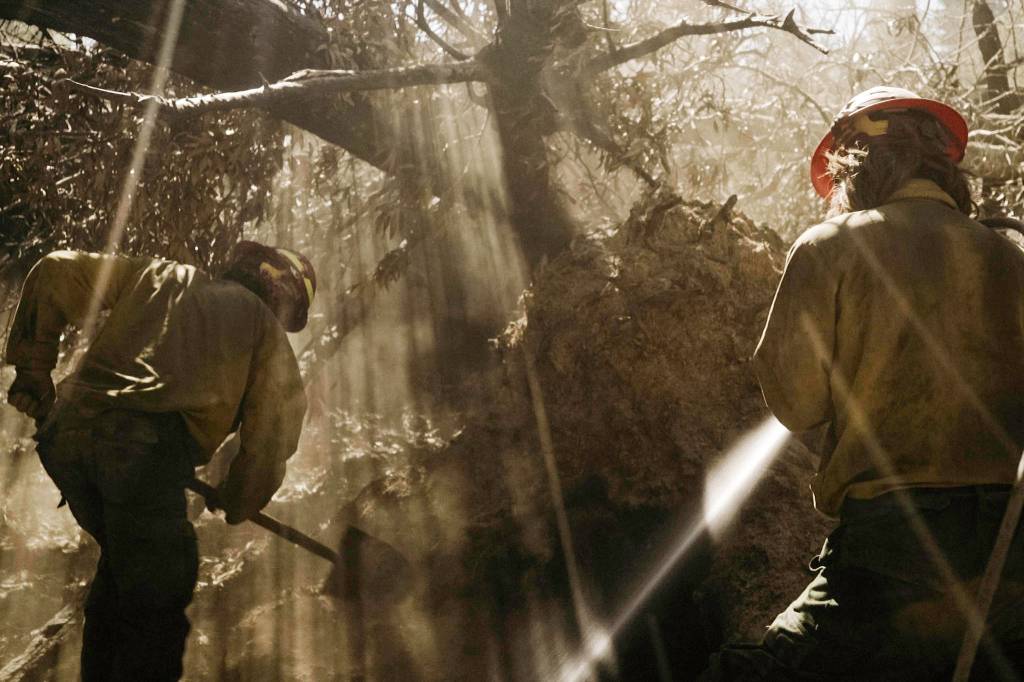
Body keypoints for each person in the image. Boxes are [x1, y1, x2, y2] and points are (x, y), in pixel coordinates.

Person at [700, 86, 1024, 680]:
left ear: (858, 162)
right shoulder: (1012, 261)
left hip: (889, 560)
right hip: (1011, 566)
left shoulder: (831, 248)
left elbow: (797, 406)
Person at [4, 241, 314, 681]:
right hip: (140, 451)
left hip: (66, 437)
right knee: (160, 587)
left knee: (123, 575)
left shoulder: (163, 275)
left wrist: (34, 373)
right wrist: (241, 496)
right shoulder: (262, 326)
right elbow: (276, 429)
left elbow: (55, 270)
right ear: (281, 293)